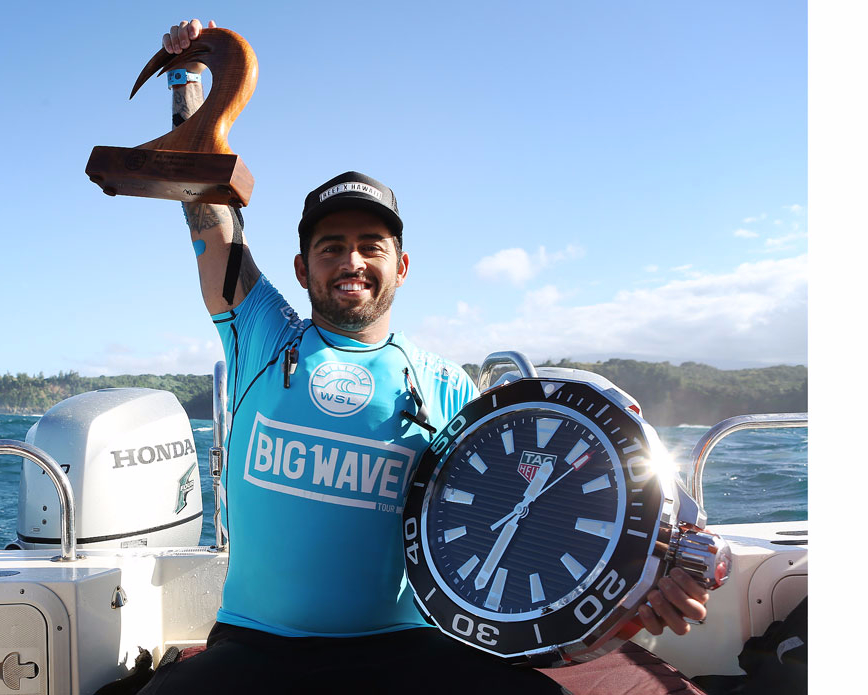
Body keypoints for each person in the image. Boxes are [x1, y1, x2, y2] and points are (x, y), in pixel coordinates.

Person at [138, 19, 710, 694]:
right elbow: (203, 202)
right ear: (300, 266)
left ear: (401, 265)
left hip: (408, 645)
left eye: (370, 245)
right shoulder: (261, 335)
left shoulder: (444, 383)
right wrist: (186, 80)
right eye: (331, 246)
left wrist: (678, 557)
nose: (351, 260)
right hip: (258, 644)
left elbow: (560, 487)